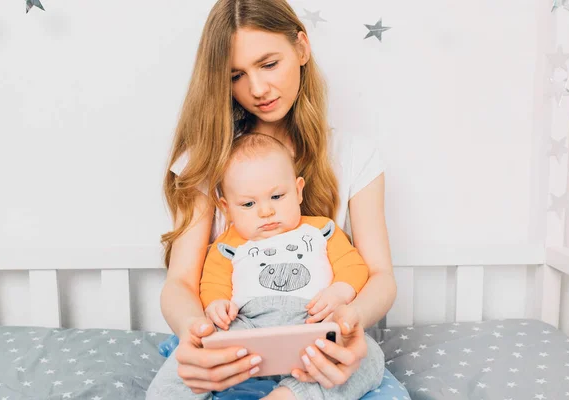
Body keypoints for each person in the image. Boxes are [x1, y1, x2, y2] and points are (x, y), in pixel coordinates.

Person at [147, 0, 398, 399]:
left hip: (318, 351)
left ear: (301, 47)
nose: (257, 89)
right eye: (236, 76)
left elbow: (380, 277)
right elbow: (180, 282)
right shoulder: (204, 159)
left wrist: (352, 318)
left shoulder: (355, 155)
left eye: (268, 64)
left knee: (369, 369)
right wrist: (196, 332)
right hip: (234, 348)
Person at [164, 133, 385, 399]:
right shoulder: (228, 244)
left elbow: (354, 266)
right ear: (226, 207)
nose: (266, 211)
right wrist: (216, 305)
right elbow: (212, 282)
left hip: (311, 325)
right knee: (189, 359)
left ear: (298, 190)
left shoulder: (321, 230)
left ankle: (290, 395)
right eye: (248, 204)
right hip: (246, 327)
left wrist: (340, 292)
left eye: (278, 196)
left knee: (369, 355)